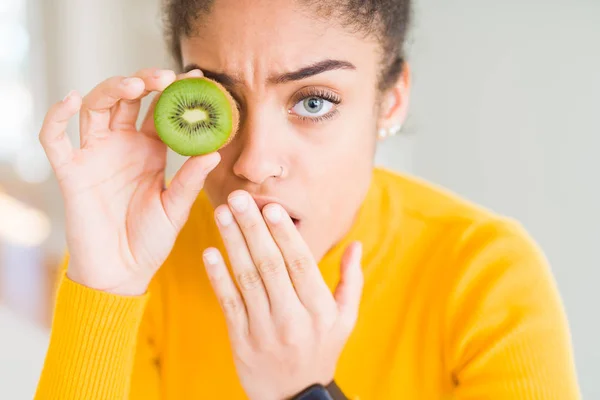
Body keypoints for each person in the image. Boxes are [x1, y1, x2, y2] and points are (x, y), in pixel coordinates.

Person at [33, 0, 581, 399]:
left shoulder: (487, 275)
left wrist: (303, 393)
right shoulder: (143, 268)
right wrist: (104, 290)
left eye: (314, 102)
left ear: (391, 101)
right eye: (222, 99)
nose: (252, 162)